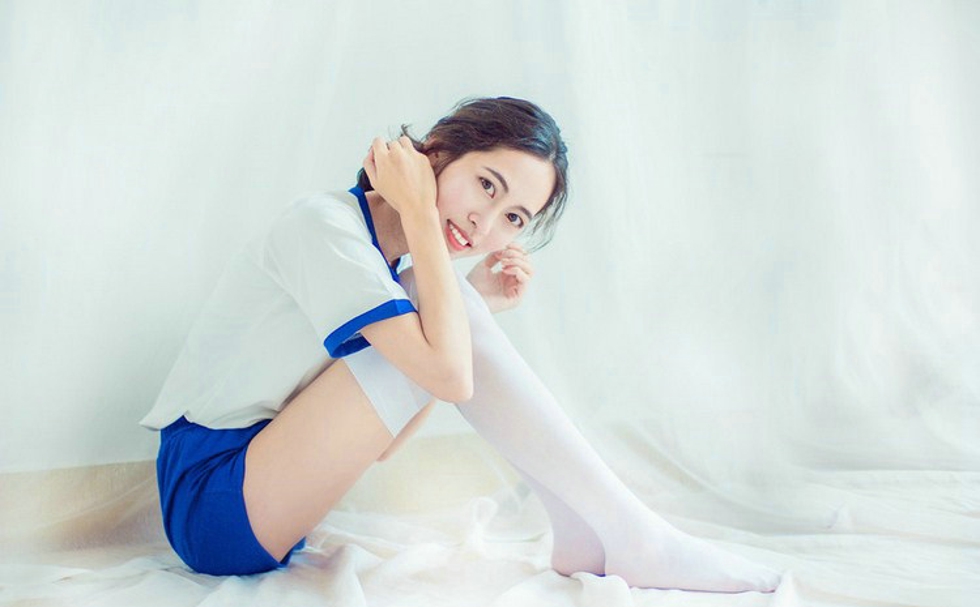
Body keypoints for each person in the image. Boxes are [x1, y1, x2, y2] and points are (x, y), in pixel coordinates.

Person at [140, 97, 781, 592]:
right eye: (487, 186)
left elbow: (385, 444)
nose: (485, 223)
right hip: (213, 500)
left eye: (513, 219)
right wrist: (425, 220)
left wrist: (472, 305)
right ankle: (629, 531)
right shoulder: (325, 228)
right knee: (436, 294)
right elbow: (450, 379)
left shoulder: (388, 271)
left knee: (437, 297)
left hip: (266, 500)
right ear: (438, 151)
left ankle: (591, 527)